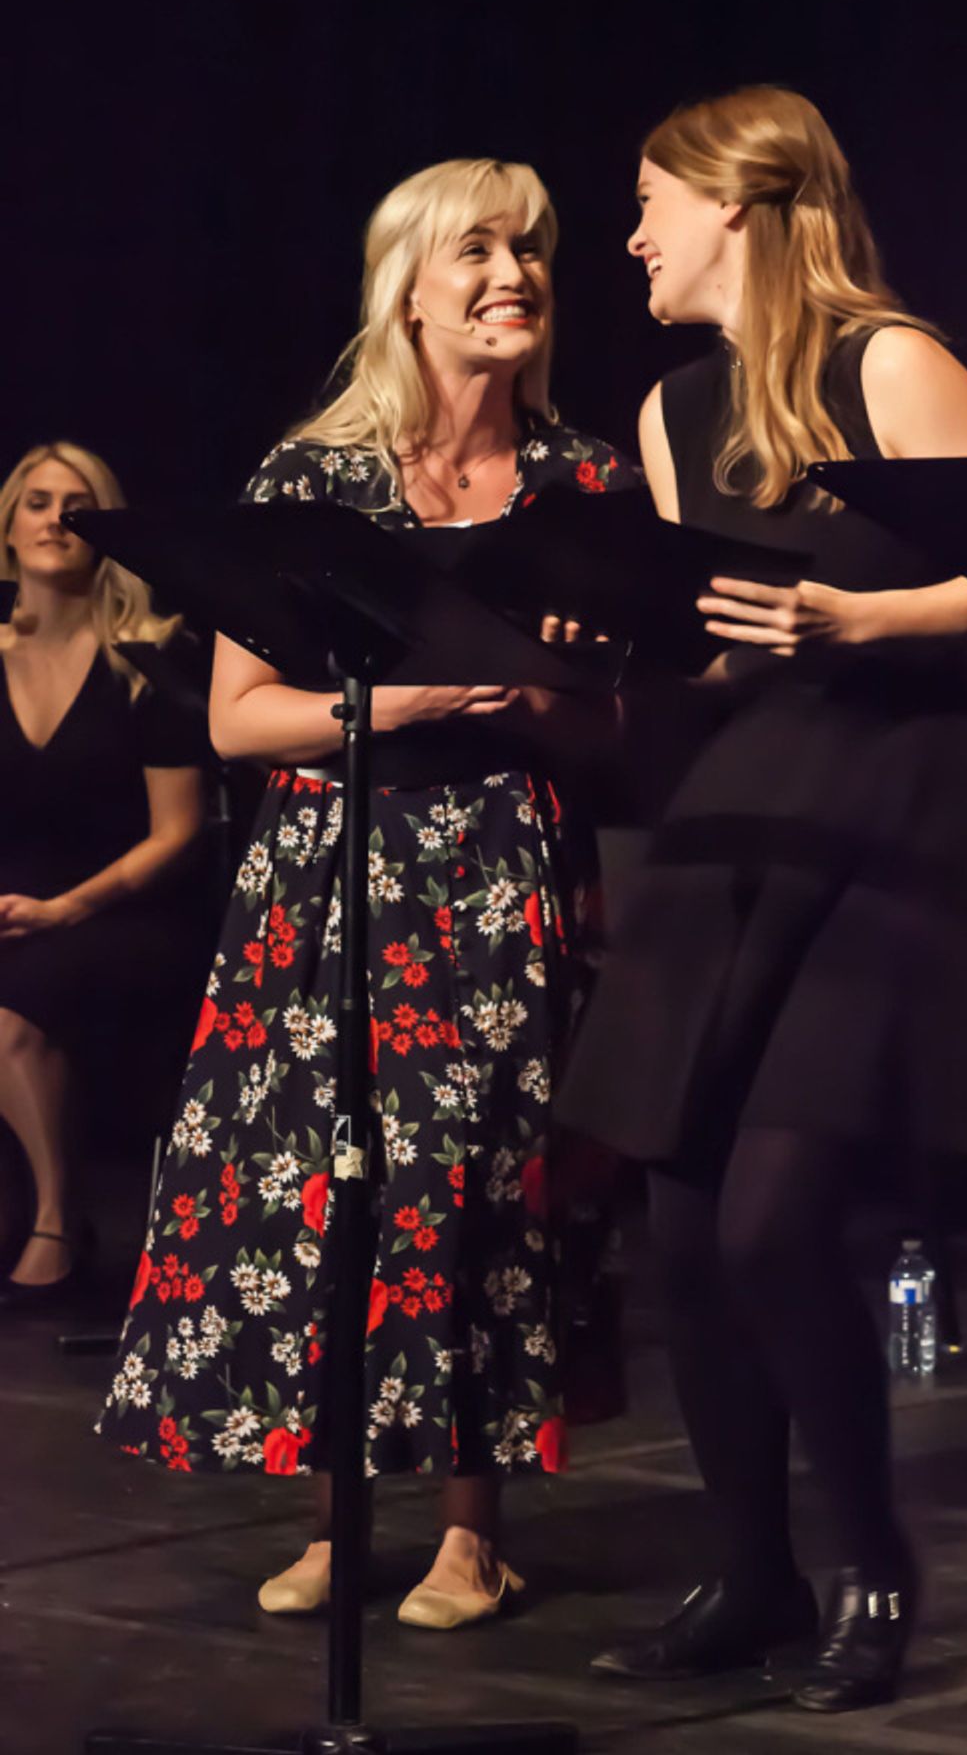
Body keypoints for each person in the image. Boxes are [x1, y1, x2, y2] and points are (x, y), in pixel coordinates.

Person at [96, 157, 638, 1631]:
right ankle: (339, 1521)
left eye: (530, 249)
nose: (514, 271)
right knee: (333, 1195)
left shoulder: (584, 480)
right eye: (478, 250)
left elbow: (608, 738)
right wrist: (404, 701)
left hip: (499, 878)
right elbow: (236, 721)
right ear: (408, 286)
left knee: (481, 1198)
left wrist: (531, 691)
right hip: (330, 883)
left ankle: (474, 1535)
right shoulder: (311, 481)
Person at [557, 86, 967, 1711]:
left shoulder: (887, 362)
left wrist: (857, 622)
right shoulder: (675, 408)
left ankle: (874, 1563)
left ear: (739, 205)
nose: (629, 241)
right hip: (737, 811)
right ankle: (748, 1571)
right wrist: (597, 630)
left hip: (882, 815)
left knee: (774, 1220)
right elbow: (706, 632)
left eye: (647, 206)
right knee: (683, 1229)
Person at [0, 443, 207, 1302]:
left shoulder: (150, 657)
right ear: (9, 529)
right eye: (38, 502)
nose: (56, 520)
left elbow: (177, 834)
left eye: (77, 506)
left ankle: (58, 1216)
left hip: (123, 908)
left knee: (9, 1004)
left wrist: (65, 910)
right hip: (11, 903)